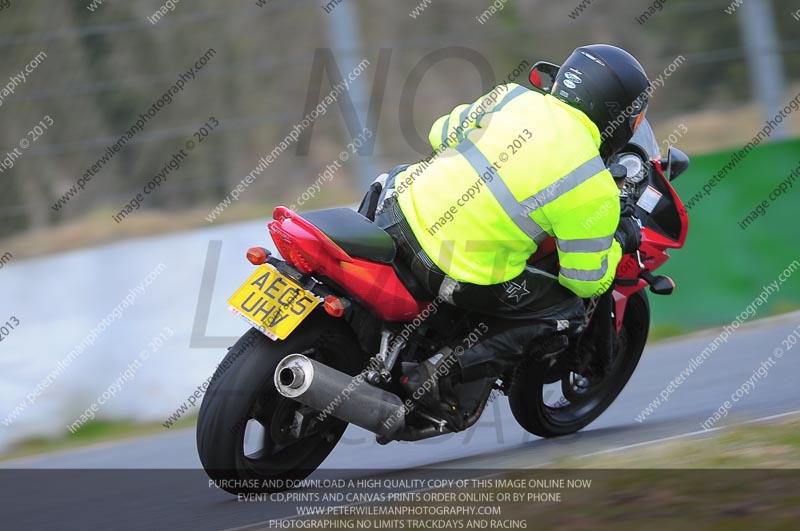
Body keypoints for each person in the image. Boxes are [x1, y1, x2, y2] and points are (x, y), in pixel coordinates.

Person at [366, 44, 649, 426]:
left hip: (396, 219)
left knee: (398, 174)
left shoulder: (510, 98)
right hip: (451, 270)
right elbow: (585, 281)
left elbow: (439, 134)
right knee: (565, 312)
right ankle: (439, 372)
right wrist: (620, 241)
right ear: (617, 116)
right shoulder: (593, 184)